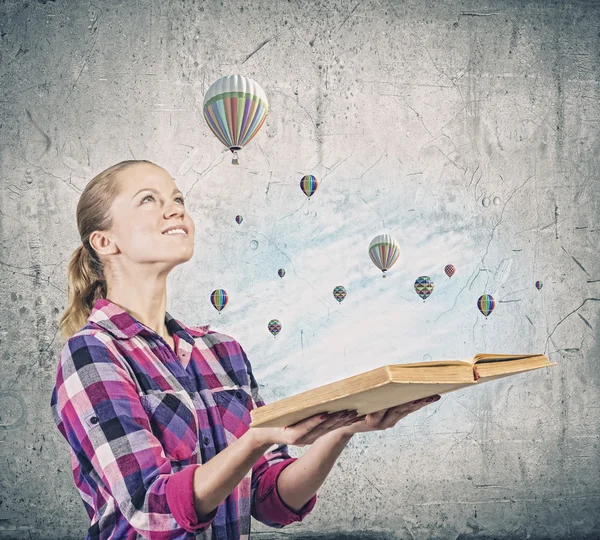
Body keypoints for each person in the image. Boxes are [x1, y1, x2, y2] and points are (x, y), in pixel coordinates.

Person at [50, 159, 441, 540]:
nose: (174, 210)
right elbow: (152, 511)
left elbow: (270, 500)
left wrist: (343, 429)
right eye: (149, 200)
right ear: (104, 241)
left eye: (178, 200)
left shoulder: (223, 351)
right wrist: (257, 438)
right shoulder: (92, 354)